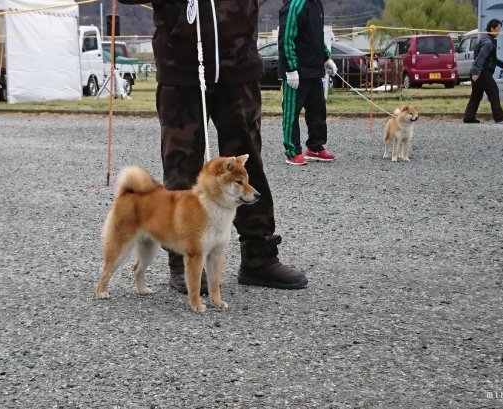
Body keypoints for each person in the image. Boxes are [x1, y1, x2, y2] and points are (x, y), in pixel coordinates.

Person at [115, 0, 308, 292]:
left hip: (238, 68)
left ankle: (259, 256)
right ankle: (182, 261)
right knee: (182, 167)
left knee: (247, 164)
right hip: (180, 71)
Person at [278, 0, 338, 166]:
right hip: (296, 71)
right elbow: (286, 39)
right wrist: (291, 69)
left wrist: (326, 58)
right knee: (292, 112)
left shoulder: (316, 4)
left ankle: (315, 147)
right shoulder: (295, 5)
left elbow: (317, 36)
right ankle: (292, 151)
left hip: (314, 69)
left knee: (318, 110)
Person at [463, 18, 503, 124]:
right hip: (482, 72)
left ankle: (468, 117)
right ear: (492, 28)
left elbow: (491, 58)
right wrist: (476, 72)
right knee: (493, 91)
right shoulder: (488, 43)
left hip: (479, 72)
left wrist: (502, 64)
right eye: (498, 29)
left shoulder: (486, 40)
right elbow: (481, 57)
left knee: (476, 95)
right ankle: (498, 116)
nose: (499, 32)